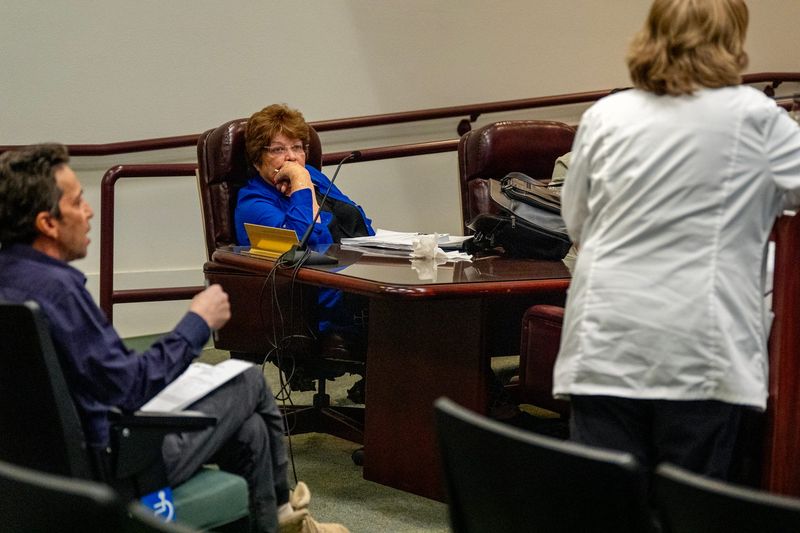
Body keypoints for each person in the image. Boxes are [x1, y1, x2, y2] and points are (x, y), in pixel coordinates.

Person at [0, 144, 347, 533]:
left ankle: (277, 518)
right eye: (79, 201)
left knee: (249, 431)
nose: (89, 211)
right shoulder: (59, 291)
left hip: (33, 467)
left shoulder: (10, 280)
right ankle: (286, 515)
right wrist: (197, 323)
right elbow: (130, 387)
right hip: (115, 460)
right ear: (48, 223)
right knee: (248, 380)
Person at [553, 0, 800, 480]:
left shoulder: (607, 114)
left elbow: (577, 221)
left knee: (608, 511)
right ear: (733, 40)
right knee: (688, 512)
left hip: (605, 343)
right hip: (698, 351)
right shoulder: (756, 117)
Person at [235, 104, 374, 399]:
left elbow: (360, 223)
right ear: (258, 157)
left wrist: (305, 181)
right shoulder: (253, 203)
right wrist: (300, 184)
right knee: (399, 315)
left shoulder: (315, 177)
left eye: (298, 147)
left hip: (352, 278)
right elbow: (307, 246)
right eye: (278, 149)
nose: (292, 158)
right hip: (309, 300)